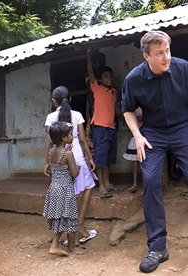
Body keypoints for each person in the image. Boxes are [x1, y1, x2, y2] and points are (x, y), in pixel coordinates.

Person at [121, 30, 188, 273]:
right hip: (154, 133)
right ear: (146, 56)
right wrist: (137, 136)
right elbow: (128, 110)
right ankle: (158, 246)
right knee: (149, 180)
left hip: (183, 128)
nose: (166, 57)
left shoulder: (183, 68)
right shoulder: (133, 79)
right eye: (159, 53)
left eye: (167, 50)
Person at [44, 86, 98, 244]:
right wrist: (90, 158)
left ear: (54, 101)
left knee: (66, 194)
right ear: (70, 99)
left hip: (58, 157)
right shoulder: (77, 115)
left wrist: (47, 162)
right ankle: (79, 225)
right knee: (88, 187)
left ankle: (62, 231)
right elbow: (82, 140)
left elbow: (49, 141)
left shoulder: (50, 117)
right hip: (77, 156)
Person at [43, 121, 83, 256]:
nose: (72, 136)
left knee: (60, 218)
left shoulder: (52, 152)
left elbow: (54, 169)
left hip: (54, 188)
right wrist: (78, 167)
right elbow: (74, 174)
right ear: (64, 138)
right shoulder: (68, 154)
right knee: (69, 217)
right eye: (71, 134)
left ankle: (65, 246)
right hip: (66, 190)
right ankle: (68, 247)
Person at [87, 50, 119, 198]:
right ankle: (101, 187)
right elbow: (90, 72)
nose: (109, 79)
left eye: (110, 76)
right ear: (99, 79)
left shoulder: (114, 92)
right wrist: (88, 54)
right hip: (100, 127)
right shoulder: (97, 88)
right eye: (106, 76)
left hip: (111, 128)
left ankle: (108, 183)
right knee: (100, 158)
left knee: (108, 158)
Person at [122, 107, 143, 193]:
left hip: (146, 135)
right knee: (135, 161)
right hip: (136, 136)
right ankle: (135, 183)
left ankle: (144, 182)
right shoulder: (133, 108)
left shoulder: (144, 106)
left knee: (146, 161)